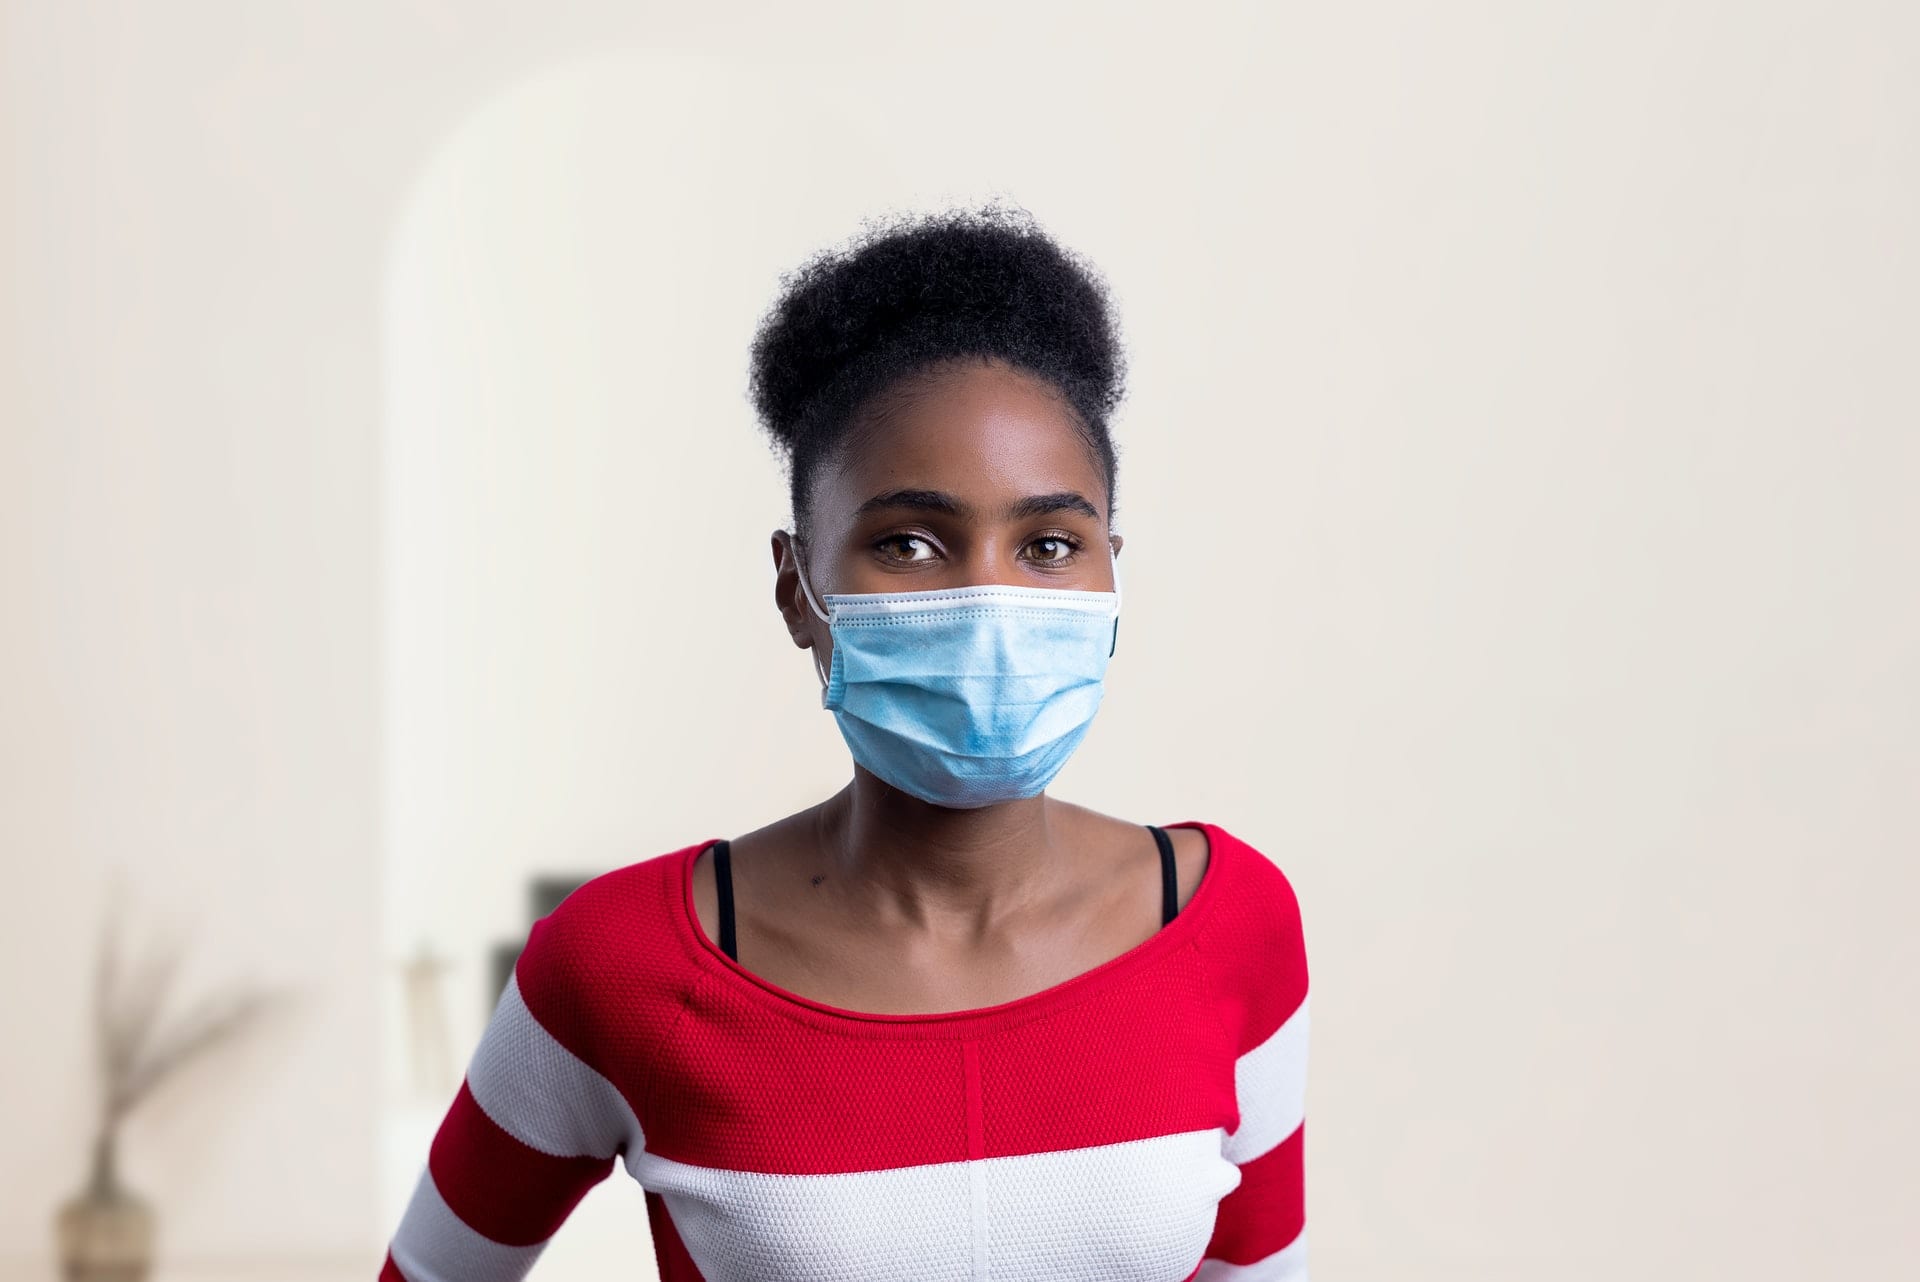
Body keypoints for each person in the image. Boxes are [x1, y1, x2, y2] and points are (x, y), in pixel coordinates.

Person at [379, 201, 1311, 1281]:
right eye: (908, 542)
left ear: (1113, 572)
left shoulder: (1231, 922)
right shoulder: (620, 963)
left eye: (1050, 542)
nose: (989, 599)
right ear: (797, 586)